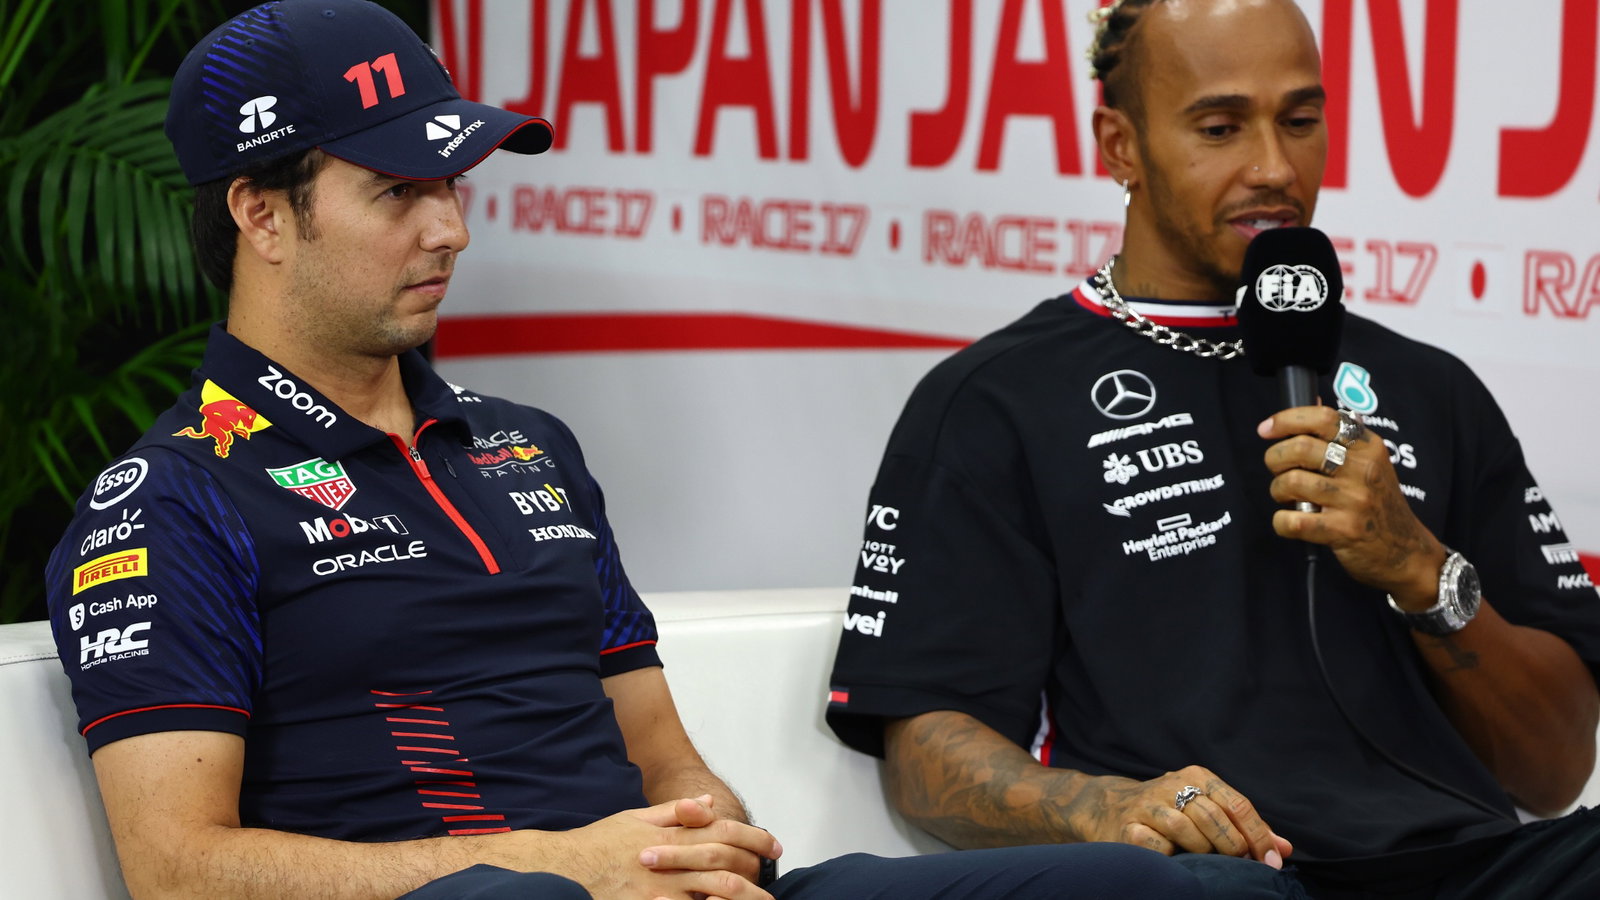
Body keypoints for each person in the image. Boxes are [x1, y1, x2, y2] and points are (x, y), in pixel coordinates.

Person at [44, 2, 1213, 898]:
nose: (450, 227)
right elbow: (177, 866)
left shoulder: (526, 447)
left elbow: (663, 756)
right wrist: (567, 868)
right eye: (397, 190)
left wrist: (708, 852)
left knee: (1174, 887)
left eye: (452, 183)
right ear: (260, 215)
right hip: (482, 896)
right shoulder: (170, 502)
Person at [825, 0, 1600, 897]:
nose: (1273, 167)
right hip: (1220, 878)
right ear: (1120, 145)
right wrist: (1106, 810)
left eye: (1300, 120)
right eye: (1221, 127)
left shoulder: (1432, 387)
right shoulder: (994, 402)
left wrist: (1419, 565)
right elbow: (923, 750)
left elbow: (1555, 771)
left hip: (1476, 870)